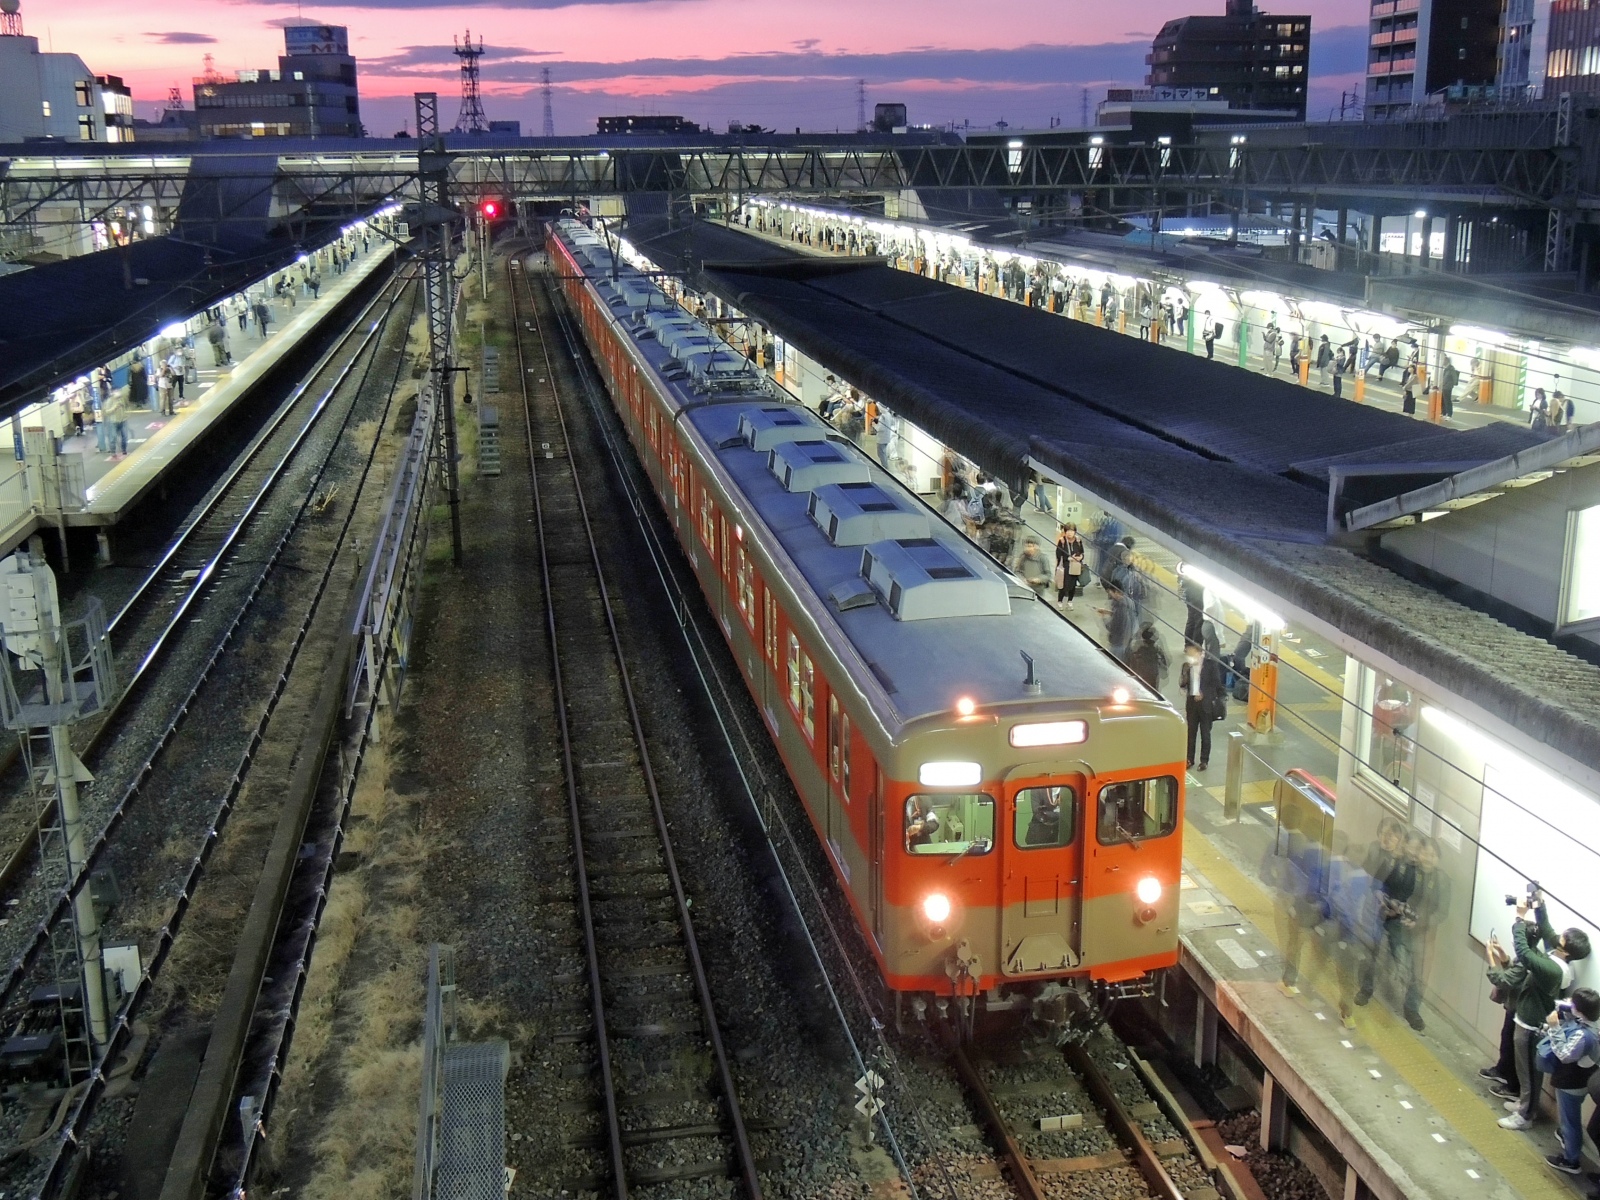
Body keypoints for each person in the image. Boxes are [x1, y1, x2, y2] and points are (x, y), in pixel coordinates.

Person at [1501, 890, 1591, 1130]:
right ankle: (1524, 1103)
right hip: (1527, 1019)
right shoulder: (1560, 959)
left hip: (1532, 1026)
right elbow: (1547, 928)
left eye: (1559, 940)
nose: (1554, 938)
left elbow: (1524, 952)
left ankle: (1525, 1116)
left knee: (1529, 1072)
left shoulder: (1552, 970)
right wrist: (1539, 903)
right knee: (1524, 1069)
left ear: (1566, 950)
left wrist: (1520, 919)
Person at [1355, 829, 1425, 1030]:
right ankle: (1365, 989)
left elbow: (1425, 903)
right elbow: (1376, 884)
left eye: (1416, 850)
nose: (1412, 853)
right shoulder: (1392, 861)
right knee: (1372, 953)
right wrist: (1382, 901)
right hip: (1382, 912)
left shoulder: (1423, 874)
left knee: (1408, 965)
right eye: (1409, 847)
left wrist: (1414, 918)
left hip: (1405, 921)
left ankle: (1411, 1009)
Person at [1538, 987, 1600, 1174]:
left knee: (1570, 1121)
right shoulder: (1595, 1026)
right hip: (1584, 1079)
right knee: (1571, 1117)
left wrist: (1555, 1027)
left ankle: (1571, 1160)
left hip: (1571, 1083)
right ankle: (1569, 1138)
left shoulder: (1584, 1035)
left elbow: (1565, 1054)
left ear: (1580, 1010)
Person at [1179, 641, 1224, 769]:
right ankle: (1189, 759)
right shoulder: (1187, 666)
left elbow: (1216, 684)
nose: (1190, 655)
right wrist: (1185, 675)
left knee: (1205, 733)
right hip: (1192, 703)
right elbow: (1182, 684)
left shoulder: (1210, 666)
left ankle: (1204, 760)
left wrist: (1203, 693)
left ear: (1200, 653)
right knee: (1191, 732)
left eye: (1192, 653)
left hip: (1206, 704)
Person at [1126, 622, 1169, 696]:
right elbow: (1164, 662)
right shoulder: (1156, 650)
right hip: (1153, 674)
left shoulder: (1138, 651)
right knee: (1153, 691)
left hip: (1141, 676)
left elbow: (1131, 663)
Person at [1100, 583, 1135, 661]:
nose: (1110, 596)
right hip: (1126, 640)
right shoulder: (1128, 602)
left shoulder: (1119, 607)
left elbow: (1113, 627)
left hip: (1118, 642)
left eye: (1111, 593)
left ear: (1116, 592)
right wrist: (1109, 612)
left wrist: (1104, 618)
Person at [1055, 523, 1086, 607]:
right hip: (1065, 566)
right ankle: (1060, 601)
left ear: (1075, 532)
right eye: (1068, 531)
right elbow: (1058, 554)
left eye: (1072, 531)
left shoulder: (1078, 540)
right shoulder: (1062, 541)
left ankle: (1070, 600)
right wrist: (1068, 558)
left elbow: (1082, 552)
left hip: (1075, 566)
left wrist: (1081, 557)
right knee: (1063, 584)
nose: (1069, 533)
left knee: (1073, 584)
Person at [102, 384, 129, 459]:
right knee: (113, 437)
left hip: (123, 420)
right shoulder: (109, 401)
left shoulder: (122, 399)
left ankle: (124, 449)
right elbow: (106, 412)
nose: (118, 392)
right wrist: (115, 407)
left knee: (125, 436)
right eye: (116, 391)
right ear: (112, 392)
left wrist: (126, 414)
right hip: (113, 421)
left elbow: (126, 406)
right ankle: (113, 451)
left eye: (119, 391)